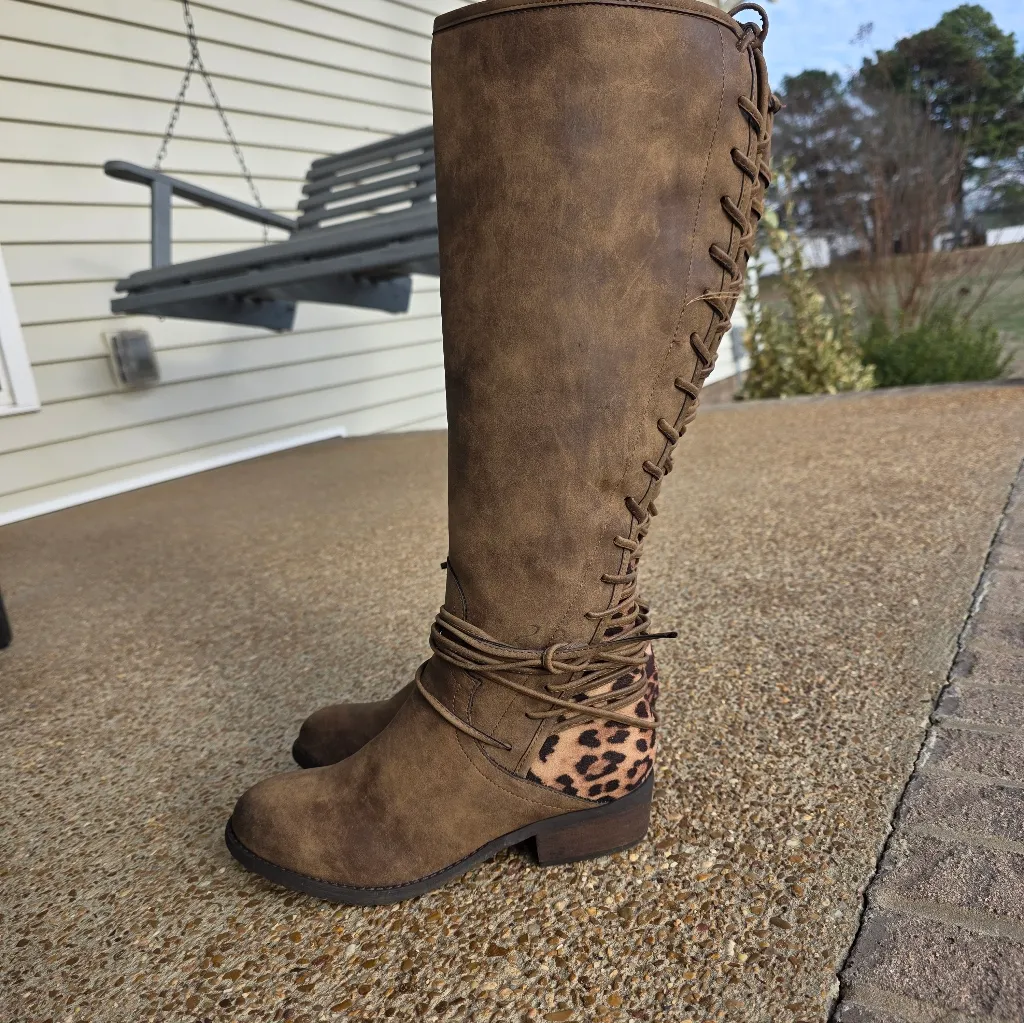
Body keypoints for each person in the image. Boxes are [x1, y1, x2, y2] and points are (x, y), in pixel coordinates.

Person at [225, 0, 776, 905]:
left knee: (581, 47)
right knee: (525, 58)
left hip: (536, 698)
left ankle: (527, 709)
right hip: (517, 680)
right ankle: (515, 688)